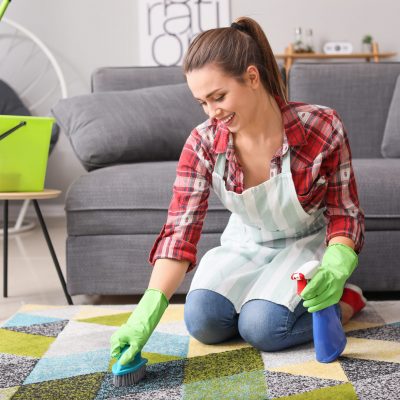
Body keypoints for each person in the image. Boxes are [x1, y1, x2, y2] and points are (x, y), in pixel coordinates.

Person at [110, 16, 366, 366]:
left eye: (219, 97)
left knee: (263, 329)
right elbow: (179, 233)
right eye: (202, 102)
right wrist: (145, 312)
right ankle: (269, 301)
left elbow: (344, 213)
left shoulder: (322, 127)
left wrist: (336, 268)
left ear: (251, 77)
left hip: (306, 245)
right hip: (247, 242)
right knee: (203, 322)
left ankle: (346, 299)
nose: (213, 113)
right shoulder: (202, 144)